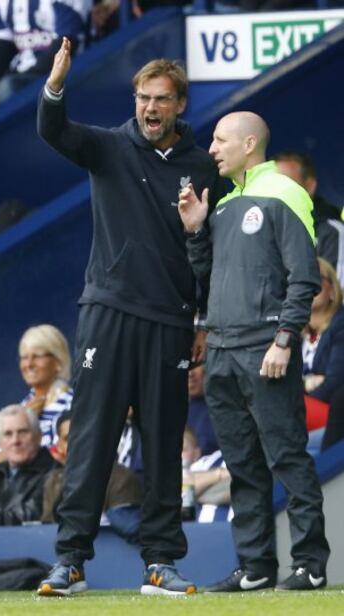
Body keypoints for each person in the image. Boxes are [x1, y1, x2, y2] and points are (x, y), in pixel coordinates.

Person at [36, 37, 224, 597]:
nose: (149, 107)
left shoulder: (202, 168)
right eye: (143, 97)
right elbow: (53, 130)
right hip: (108, 314)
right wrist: (55, 83)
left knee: (164, 443)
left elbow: (207, 256)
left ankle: (161, 562)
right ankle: (69, 562)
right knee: (91, 439)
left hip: (170, 321)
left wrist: (202, 321)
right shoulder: (109, 146)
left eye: (161, 99)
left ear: (180, 105)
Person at [178, 110, 330, 592]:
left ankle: (309, 563)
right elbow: (206, 277)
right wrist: (197, 230)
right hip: (221, 349)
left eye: (220, 140)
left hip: (265, 346)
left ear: (249, 144)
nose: (212, 150)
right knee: (241, 464)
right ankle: (257, 565)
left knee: (287, 457)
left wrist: (285, 339)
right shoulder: (221, 205)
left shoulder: (285, 193)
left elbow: (304, 276)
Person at [41, 413, 144, 544]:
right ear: (59, 446)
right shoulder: (53, 480)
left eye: (82, 436)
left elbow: (128, 532)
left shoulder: (122, 479)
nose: (75, 443)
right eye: (68, 439)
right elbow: (46, 530)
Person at [0, 0, 91, 109]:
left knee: (7, 87)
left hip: (73, 75)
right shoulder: (4, 3)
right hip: (24, 77)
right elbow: (0, 45)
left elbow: (66, 44)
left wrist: (21, 81)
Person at [274, 150, 344, 287]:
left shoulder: (332, 231)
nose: (278, 191)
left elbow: (338, 297)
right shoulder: (258, 228)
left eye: (287, 184)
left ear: (310, 186)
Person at [0, 405, 55, 525]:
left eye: (23, 432)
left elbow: (29, 516)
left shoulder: (58, 476)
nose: (15, 441)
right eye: (8, 434)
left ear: (38, 436)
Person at [302, 257, 344, 432]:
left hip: (332, 417)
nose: (307, 285)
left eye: (316, 278)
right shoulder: (292, 331)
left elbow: (335, 382)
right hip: (304, 410)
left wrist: (298, 396)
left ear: (333, 291)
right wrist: (306, 383)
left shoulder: (340, 324)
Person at [18, 324, 73, 454]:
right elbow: (1, 465)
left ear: (58, 362)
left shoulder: (74, 404)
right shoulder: (22, 408)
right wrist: (25, 422)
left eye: (37, 356)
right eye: (24, 357)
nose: (29, 364)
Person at [182, 426, 231, 523]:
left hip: (228, 530)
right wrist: (219, 474)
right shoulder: (204, 463)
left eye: (183, 449)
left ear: (196, 453)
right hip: (192, 532)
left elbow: (242, 487)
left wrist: (195, 491)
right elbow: (180, 494)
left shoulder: (202, 464)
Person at [187, 361, 218, 456]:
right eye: (184, 365)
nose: (190, 373)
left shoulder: (226, 408)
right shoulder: (165, 412)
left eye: (196, 365)